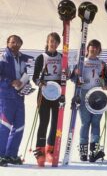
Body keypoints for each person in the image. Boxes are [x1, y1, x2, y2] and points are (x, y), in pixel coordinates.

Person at [72, 39, 107, 162]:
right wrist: (75, 75)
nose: (93, 50)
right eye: (91, 47)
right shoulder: (82, 62)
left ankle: (94, 150)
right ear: (87, 48)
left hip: (98, 95)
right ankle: (83, 152)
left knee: (96, 123)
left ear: (99, 50)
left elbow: (106, 80)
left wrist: (105, 84)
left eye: (96, 48)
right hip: (84, 94)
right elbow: (73, 78)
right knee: (85, 122)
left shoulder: (102, 63)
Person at [0, 35, 33, 167]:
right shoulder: (3, 58)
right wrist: (11, 82)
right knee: (4, 126)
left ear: (21, 44)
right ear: (7, 43)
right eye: (12, 42)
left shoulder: (24, 58)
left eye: (17, 42)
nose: (14, 44)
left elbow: (25, 75)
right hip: (6, 97)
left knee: (19, 126)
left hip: (19, 96)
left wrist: (26, 85)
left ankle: (11, 154)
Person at [32, 32, 62, 167]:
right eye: (51, 41)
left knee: (56, 122)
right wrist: (40, 82)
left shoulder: (62, 57)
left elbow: (65, 74)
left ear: (58, 44)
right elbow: (35, 77)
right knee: (44, 121)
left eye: (56, 42)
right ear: (47, 42)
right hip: (44, 93)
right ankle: (40, 150)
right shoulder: (41, 57)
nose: (53, 44)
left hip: (57, 93)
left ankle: (50, 149)